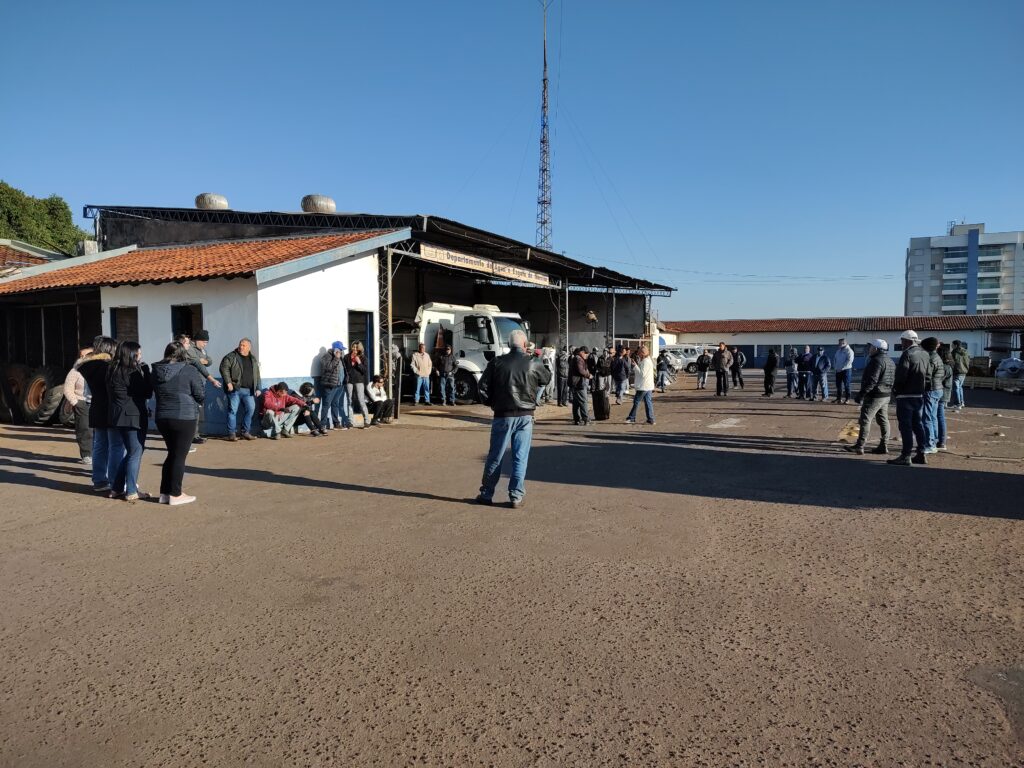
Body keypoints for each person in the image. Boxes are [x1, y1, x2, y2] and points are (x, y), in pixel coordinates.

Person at [475, 328, 551, 508]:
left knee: (495, 456)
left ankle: (486, 494)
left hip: (502, 414)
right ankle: (515, 496)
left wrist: (492, 403)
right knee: (520, 457)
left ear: (509, 345)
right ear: (525, 345)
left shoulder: (497, 362)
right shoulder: (533, 362)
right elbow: (546, 379)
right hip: (525, 415)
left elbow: (482, 387)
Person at [152, 341, 205, 505]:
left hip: (162, 416)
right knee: (179, 456)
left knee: (172, 454)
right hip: (184, 416)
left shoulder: (156, 370)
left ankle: (165, 493)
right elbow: (200, 394)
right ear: (183, 354)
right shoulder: (189, 370)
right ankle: (175, 494)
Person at [106, 340, 153, 502]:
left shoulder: (113, 370)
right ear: (131, 354)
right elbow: (147, 392)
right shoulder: (130, 372)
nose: (140, 357)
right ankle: (131, 490)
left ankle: (117, 488)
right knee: (135, 452)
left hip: (118, 416)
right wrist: (146, 372)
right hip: (133, 416)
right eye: (138, 354)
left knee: (131, 453)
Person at [78, 337, 122, 492]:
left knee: (100, 446)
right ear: (110, 349)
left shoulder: (87, 367)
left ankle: (99, 480)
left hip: (96, 408)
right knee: (116, 446)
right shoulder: (110, 367)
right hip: (111, 409)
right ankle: (116, 480)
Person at [844, 339, 895, 455]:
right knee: (883, 420)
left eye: (871, 347)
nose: (869, 349)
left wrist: (861, 394)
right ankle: (884, 445)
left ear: (876, 349)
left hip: (875, 395)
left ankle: (860, 445)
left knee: (865, 419)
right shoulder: (890, 361)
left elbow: (872, 381)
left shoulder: (876, 361)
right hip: (886, 395)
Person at [888, 330, 929, 466]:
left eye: (902, 341)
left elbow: (901, 375)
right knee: (918, 425)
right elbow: (928, 375)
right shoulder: (925, 353)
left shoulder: (907, 354)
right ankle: (921, 453)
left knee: (905, 426)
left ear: (907, 341)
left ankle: (906, 455)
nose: (901, 343)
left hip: (905, 395)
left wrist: (896, 390)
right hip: (919, 395)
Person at [183, 330, 222, 444]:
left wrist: (203, 360)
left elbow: (209, 361)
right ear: (198, 340)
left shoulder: (202, 350)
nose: (205, 344)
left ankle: (194, 434)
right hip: (192, 382)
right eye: (204, 342)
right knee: (193, 409)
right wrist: (212, 379)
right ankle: (192, 435)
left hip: (200, 382)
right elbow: (197, 364)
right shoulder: (190, 349)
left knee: (197, 409)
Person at [220, 338, 261, 441]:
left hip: (249, 391)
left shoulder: (253, 359)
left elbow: (257, 374)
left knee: (251, 409)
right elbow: (224, 368)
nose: (241, 347)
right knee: (233, 411)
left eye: (244, 345)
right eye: (240, 345)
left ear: (249, 347)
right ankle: (231, 434)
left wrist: (258, 387)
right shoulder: (231, 356)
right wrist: (228, 382)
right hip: (235, 389)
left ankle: (245, 432)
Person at [62, 345, 95, 465]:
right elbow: (67, 389)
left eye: (87, 355)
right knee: (85, 429)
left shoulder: (97, 369)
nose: (83, 357)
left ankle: (97, 453)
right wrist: (76, 402)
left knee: (98, 431)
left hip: (96, 403)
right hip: (82, 402)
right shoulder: (75, 371)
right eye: (81, 355)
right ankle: (86, 454)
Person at [920, 337, 945, 455]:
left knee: (927, 417)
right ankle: (933, 441)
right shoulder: (937, 357)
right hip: (938, 388)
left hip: (931, 390)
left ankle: (929, 444)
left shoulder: (930, 358)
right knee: (933, 417)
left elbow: (927, 375)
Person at [318, 342, 348, 430]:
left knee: (335, 404)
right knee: (326, 404)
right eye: (341, 349)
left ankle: (336, 423)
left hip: (340, 384)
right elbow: (328, 368)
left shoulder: (341, 357)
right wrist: (336, 358)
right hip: (330, 384)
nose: (342, 351)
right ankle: (322, 424)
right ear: (336, 350)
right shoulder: (326, 357)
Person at [625, 346, 656, 425]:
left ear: (642, 353)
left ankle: (632, 417)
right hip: (647, 386)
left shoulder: (645, 362)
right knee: (648, 402)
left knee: (636, 401)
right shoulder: (648, 360)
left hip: (643, 386)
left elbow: (642, 374)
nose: (638, 355)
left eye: (639, 353)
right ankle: (650, 419)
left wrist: (635, 366)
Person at [343, 341, 371, 429]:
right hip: (349, 381)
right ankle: (350, 422)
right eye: (353, 347)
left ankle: (367, 421)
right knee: (349, 401)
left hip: (359, 381)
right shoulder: (347, 357)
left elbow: (365, 371)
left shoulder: (363, 358)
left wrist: (359, 363)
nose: (355, 349)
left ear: (359, 348)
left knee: (361, 400)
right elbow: (345, 370)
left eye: (356, 347)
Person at [568, 346, 592, 425]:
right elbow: (581, 371)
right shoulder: (578, 359)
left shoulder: (576, 358)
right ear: (581, 352)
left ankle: (577, 419)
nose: (586, 355)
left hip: (575, 383)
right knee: (583, 401)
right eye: (585, 353)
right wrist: (588, 375)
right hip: (579, 383)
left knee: (576, 402)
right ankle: (585, 419)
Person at [937, 349, 953, 451]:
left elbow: (938, 379)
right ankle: (941, 441)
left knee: (939, 417)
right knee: (939, 416)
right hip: (945, 394)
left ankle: (941, 441)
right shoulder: (949, 367)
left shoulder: (944, 368)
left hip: (941, 394)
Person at [949, 339, 970, 410]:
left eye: (952, 345)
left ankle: (957, 404)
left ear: (955, 345)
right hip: (964, 372)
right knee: (960, 387)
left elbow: (953, 363)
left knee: (956, 388)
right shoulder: (965, 352)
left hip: (957, 371)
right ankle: (962, 402)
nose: (951, 346)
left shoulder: (954, 352)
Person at [833, 338, 854, 404]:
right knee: (838, 385)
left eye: (839, 343)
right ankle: (839, 398)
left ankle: (847, 399)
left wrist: (842, 368)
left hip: (846, 370)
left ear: (844, 343)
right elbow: (835, 359)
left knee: (846, 385)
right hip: (838, 370)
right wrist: (835, 367)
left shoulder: (849, 351)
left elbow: (849, 361)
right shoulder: (838, 351)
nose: (838, 344)